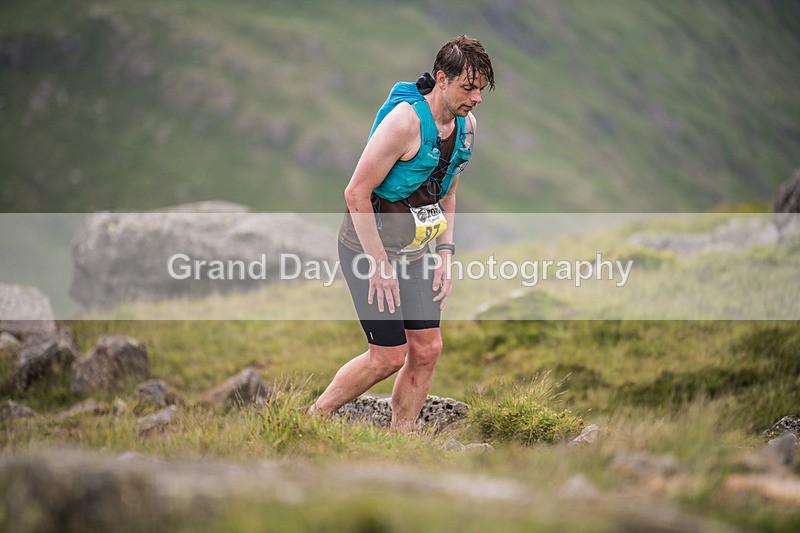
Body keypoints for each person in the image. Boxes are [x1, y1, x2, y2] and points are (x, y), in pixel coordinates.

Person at [310, 35, 495, 432]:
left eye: (481, 89)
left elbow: (447, 193)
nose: (477, 98)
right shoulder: (404, 124)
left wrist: (445, 257)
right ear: (442, 79)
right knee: (388, 355)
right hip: (367, 247)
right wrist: (379, 266)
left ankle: (401, 438)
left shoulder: (466, 128)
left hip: (415, 250)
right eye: (469, 87)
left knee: (427, 349)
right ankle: (314, 418)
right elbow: (355, 192)